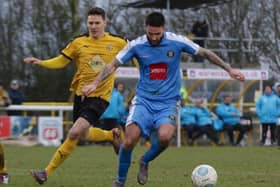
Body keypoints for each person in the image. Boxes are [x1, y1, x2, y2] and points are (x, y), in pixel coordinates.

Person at [81, 12, 245, 187]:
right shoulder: (137, 45)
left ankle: (145, 161)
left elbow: (205, 53)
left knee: (165, 137)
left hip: (168, 102)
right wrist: (95, 82)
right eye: (150, 33)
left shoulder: (176, 41)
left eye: (157, 34)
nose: (153, 38)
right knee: (130, 139)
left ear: (163, 29)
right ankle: (120, 182)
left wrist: (229, 69)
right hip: (143, 100)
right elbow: (112, 64)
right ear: (146, 28)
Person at [23, 7, 127, 184]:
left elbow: (137, 53)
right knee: (84, 135)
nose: (93, 26)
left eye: (97, 23)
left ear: (105, 23)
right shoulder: (79, 42)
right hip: (80, 95)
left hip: (100, 96)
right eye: (90, 23)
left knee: (73, 133)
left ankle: (45, 173)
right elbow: (62, 60)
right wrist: (41, 63)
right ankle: (112, 135)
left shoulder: (118, 42)